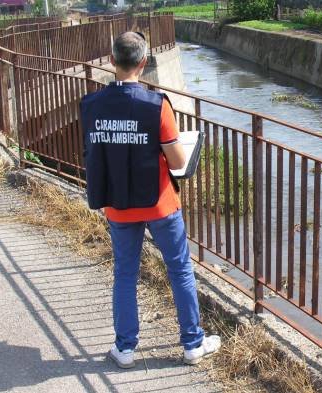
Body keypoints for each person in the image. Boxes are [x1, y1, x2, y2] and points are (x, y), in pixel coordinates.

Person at [80, 31, 220, 369]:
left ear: (111, 61)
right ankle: (192, 344)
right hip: (160, 203)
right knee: (179, 269)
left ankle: (125, 349)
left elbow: (95, 151)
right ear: (144, 63)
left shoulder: (91, 105)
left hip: (118, 205)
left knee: (125, 273)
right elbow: (175, 161)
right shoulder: (157, 105)